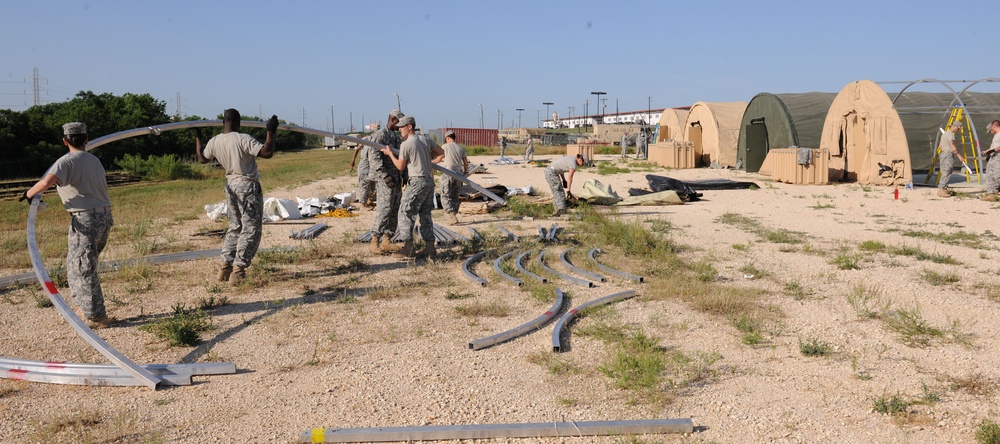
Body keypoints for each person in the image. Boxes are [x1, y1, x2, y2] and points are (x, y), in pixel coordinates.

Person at [22, 122, 114, 329]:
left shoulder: (65, 162)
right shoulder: (94, 160)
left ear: (65, 141)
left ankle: (97, 317)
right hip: (104, 218)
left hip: (86, 220)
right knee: (77, 264)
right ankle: (84, 306)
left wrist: (28, 194)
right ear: (86, 140)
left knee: (83, 268)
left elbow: (46, 182)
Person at [195, 109, 277, 285]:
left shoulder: (215, 141)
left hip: (230, 185)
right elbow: (266, 152)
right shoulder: (242, 138)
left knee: (235, 226)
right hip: (247, 185)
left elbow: (202, 158)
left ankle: (225, 268)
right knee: (250, 228)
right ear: (238, 123)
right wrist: (270, 131)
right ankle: (238, 271)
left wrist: (198, 138)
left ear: (223, 123)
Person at [381, 115, 444, 258]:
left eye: (402, 127)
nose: (400, 131)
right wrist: (428, 160)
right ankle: (430, 248)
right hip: (429, 181)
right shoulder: (425, 140)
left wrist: (390, 154)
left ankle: (408, 248)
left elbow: (400, 166)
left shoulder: (407, 144)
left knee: (405, 212)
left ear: (410, 127)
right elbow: (441, 153)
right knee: (425, 214)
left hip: (417, 181)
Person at [367, 109, 405, 254]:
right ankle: (374, 241)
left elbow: (402, 156)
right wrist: (385, 176)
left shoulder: (395, 137)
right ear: (393, 119)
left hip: (396, 178)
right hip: (385, 180)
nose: (400, 127)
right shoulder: (380, 135)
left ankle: (387, 239)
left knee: (395, 209)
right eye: (399, 123)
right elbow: (374, 158)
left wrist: (404, 174)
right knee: (384, 209)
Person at [433, 130, 468, 225]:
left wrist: (430, 163)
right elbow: (465, 162)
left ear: (447, 138)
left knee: (445, 194)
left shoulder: (445, 147)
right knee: (455, 195)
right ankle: (454, 213)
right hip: (459, 174)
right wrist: (465, 172)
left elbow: (438, 159)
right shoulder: (460, 148)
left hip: (449, 172)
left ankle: (451, 214)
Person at [936, 121, 968, 198]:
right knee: (947, 171)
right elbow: (952, 146)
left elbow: (940, 145)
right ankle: (941, 189)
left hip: (943, 153)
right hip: (948, 154)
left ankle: (944, 188)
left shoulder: (945, 134)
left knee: (945, 171)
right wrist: (959, 156)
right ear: (954, 126)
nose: (958, 130)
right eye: (958, 128)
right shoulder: (951, 134)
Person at [350, 128, 376, 208]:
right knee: (364, 184)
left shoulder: (378, 141)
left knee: (372, 184)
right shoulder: (366, 139)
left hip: (372, 166)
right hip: (364, 166)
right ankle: (362, 203)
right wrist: (353, 160)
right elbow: (357, 149)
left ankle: (369, 200)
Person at [982, 119, 1000, 200]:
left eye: (991, 129)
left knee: (997, 176)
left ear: (994, 126)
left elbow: (996, 148)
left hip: (998, 157)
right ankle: (991, 193)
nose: (990, 131)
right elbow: (994, 146)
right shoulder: (996, 135)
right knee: (989, 174)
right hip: (994, 157)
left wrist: (993, 150)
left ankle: (996, 190)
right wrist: (988, 151)